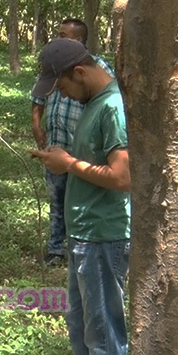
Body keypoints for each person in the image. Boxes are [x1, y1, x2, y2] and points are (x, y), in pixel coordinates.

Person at [29, 38, 130, 355]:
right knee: (82, 328)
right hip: (83, 235)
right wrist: (62, 160)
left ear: (80, 72)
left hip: (103, 235)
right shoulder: (93, 102)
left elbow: (123, 177)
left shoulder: (112, 107)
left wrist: (69, 163)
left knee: (104, 338)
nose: (63, 95)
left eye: (62, 87)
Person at [30, 18, 114, 266]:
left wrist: (75, 158)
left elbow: (121, 176)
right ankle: (57, 249)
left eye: (63, 35)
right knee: (58, 201)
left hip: (83, 152)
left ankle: (80, 247)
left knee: (82, 199)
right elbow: (38, 97)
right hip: (58, 145)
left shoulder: (102, 80)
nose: (63, 94)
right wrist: (37, 123)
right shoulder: (55, 65)